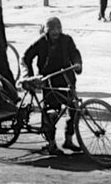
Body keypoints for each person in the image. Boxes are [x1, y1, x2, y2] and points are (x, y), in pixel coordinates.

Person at [22, 17, 83, 156]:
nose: (55, 32)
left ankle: (69, 139)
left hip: (67, 79)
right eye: (52, 30)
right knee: (51, 113)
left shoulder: (67, 40)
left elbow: (75, 53)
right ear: (47, 31)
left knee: (74, 109)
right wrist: (29, 76)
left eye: (58, 29)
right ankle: (51, 143)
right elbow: (26, 57)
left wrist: (77, 63)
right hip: (49, 82)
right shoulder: (41, 42)